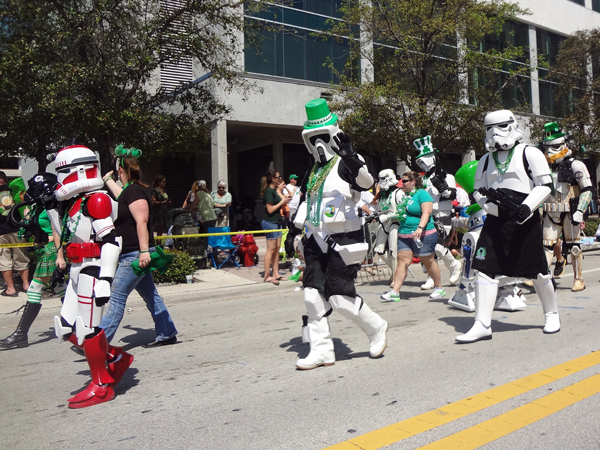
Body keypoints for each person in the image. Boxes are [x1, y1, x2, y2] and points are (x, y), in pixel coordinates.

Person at [294, 98, 388, 370]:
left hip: (344, 239)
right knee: (312, 297)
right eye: (314, 139)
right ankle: (321, 350)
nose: (319, 145)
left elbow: (367, 183)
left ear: (333, 134)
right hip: (314, 239)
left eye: (323, 137)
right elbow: (304, 201)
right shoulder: (312, 171)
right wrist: (293, 233)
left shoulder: (347, 162)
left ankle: (376, 327)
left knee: (340, 298)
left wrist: (349, 157)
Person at [456, 109, 559, 343]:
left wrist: (526, 207)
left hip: (524, 217)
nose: (494, 133)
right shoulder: (484, 160)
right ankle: (482, 323)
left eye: (500, 126)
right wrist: (491, 208)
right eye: (488, 129)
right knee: (484, 269)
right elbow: (477, 190)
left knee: (539, 270)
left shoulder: (529, 153)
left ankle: (551, 314)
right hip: (495, 219)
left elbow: (544, 185)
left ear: (512, 125)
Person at [49, 144, 131, 409]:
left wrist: (106, 279)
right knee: (65, 327)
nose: (60, 181)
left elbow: (111, 240)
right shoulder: (75, 202)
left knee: (88, 329)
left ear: (79, 171)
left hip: (93, 268)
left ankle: (101, 386)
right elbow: (67, 232)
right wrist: (50, 210)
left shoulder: (97, 199)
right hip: (76, 267)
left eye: (63, 173)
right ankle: (113, 358)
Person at [101, 148, 179, 348]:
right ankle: (167, 332)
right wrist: (108, 180)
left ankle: (97, 344)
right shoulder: (130, 191)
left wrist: (144, 252)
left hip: (135, 254)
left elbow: (141, 221)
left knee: (117, 297)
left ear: (121, 171)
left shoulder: (135, 190)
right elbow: (121, 195)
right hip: (136, 252)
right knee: (150, 295)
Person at [0, 175, 67, 349]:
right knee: (61, 289)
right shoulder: (37, 207)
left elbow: (58, 233)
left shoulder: (52, 208)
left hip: (50, 251)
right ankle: (74, 325)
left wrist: (60, 256)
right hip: (41, 250)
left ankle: (20, 335)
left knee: (34, 290)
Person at [540, 121, 592, 292]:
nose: (551, 151)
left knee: (575, 247)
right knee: (546, 246)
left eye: (555, 146)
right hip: (550, 212)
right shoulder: (544, 167)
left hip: (570, 212)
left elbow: (587, 189)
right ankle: (543, 278)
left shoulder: (575, 165)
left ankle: (579, 279)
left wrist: (580, 210)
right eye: (548, 147)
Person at [380, 171, 444, 301]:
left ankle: (439, 288)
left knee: (428, 261)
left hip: (423, 234)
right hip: (404, 233)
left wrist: (420, 227)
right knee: (402, 262)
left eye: (404, 181)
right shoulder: (405, 196)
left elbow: (427, 212)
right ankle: (395, 292)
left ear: (413, 182)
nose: (401, 183)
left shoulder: (422, 194)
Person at [413, 136, 462, 289]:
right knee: (425, 247)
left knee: (437, 247)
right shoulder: (424, 180)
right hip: (427, 216)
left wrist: (443, 188)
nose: (422, 163)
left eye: (424, 159)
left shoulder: (447, 177)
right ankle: (431, 276)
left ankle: (454, 265)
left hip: (443, 214)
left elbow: (454, 196)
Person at [0, 171, 30, 297]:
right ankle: (26, 285)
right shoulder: (15, 190)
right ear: (6, 180)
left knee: (4, 260)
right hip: (17, 229)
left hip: (1, 231)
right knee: (21, 256)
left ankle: (11, 289)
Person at [261, 169, 289, 285]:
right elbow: (270, 209)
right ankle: (267, 275)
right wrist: (282, 202)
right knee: (271, 249)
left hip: (276, 222)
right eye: (278, 177)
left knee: (277, 248)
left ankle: (276, 273)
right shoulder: (269, 192)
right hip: (270, 222)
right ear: (273, 179)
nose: (280, 178)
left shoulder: (274, 191)